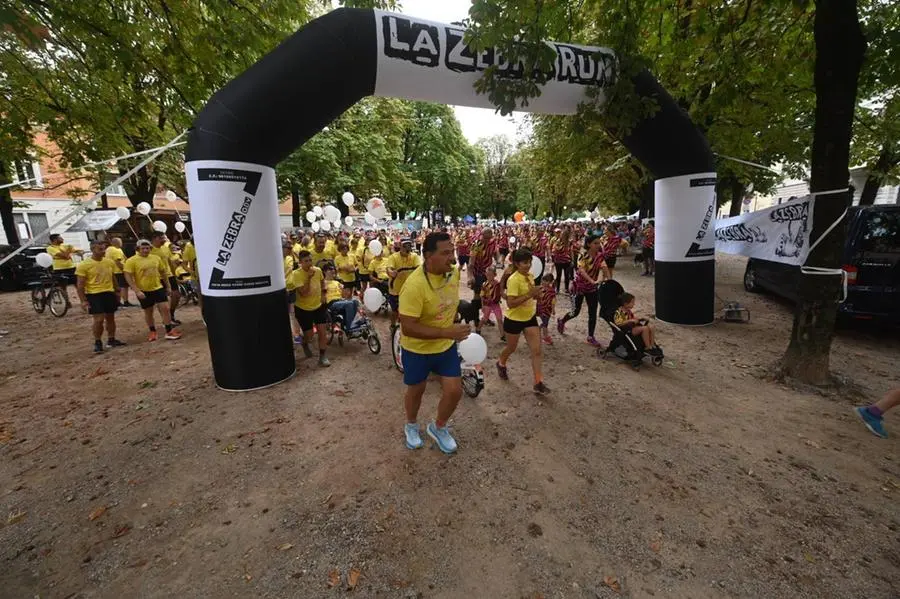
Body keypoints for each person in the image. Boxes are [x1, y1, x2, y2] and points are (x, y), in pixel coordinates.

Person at [398, 231, 471, 454]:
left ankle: (438, 427)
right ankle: (411, 425)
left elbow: (447, 303)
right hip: (416, 349)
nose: (453, 258)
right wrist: (447, 332)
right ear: (428, 256)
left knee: (454, 391)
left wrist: (455, 324)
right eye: (446, 253)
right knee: (417, 389)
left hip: (444, 347)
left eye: (453, 252)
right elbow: (408, 327)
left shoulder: (454, 274)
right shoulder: (414, 286)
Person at [497, 248, 549, 395]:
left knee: (537, 351)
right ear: (517, 264)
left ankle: (538, 382)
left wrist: (538, 295)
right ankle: (501, 362)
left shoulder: (531, 276)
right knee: (511, 348)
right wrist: (529, 294)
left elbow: (531, 296)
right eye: (524, 263)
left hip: (529, 318)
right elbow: (511, 304)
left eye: (529, 262)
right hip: (513, 319)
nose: (528, 265)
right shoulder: (513, 279)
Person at [124, 239, 181, 341]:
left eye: (147, 248)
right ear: (138, 249)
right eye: (143, 248)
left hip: (158, 287)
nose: (145, 250)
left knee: (165, 309)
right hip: (143, 290)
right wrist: (136, 290)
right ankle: (152, 331)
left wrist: (168, 286)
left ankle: (169, 331)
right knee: (149, 312)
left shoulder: (156, 258)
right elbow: (128, 276)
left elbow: (163, 273)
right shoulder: (131, 261)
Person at [558, 233, 610, 346]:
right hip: (580, 287)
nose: (598, 245)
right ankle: (562, 321)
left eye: (599, 243)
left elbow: (603, 268)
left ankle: (590, 336)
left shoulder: (600, 256)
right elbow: (581, 270)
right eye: (595, 243)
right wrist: (592, 280)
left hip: (592, 289)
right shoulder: (583, 255)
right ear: (588, 244)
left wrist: (607, 280)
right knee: (575, 312)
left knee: (592, 312)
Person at [75, 240, 126, 353]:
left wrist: (117, 291)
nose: (103, 252)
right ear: (93, 249)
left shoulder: (109, 262)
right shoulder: (84, 265)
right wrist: (83, 300)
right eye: (100, 249)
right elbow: (80, 285)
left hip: (109, 292)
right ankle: (97, 341)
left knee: (110, 317)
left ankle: (111, 339)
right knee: (98, 319)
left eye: (104, 249)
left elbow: (113, 277)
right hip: (94, 294)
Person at [286, 250, 330, 367]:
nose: (309, 263)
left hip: (318, 306)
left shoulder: (318, 270)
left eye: (310, 260)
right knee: (309, 335)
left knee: (322, 332)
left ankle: (322, 356)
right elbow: (304, 293)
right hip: (303, 309)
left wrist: (323, 294)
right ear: (300, 262)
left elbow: (322, 281)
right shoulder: (296, 274)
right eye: (306, 261)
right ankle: (305, 343)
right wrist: (309, 277)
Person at [467, 227, 499, 335]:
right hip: (478, 273)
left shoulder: (492, 244)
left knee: (488, 296)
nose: (486, 240)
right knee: (477, 296)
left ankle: (485, 318)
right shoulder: (476, 244)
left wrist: (497, 260)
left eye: (489, 238)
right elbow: (471, 262)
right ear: (482, 235)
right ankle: (476, 319)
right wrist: (471, 276)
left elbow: (495, 253)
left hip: (487, 273)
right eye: (485, 237)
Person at [386, 238, 421, 331]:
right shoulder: (393, 257)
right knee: (394, 311)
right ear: (401, 247)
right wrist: (391, 272)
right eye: (405, 247)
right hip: (395, 289)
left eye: (409, 248)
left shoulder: (414, 256)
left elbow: (419, 267)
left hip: (409, 290)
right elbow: (389, 268)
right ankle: (393, 325)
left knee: (408, 311)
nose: (407, 250)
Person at [150, 232, 181, 325]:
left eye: (164, 238)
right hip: (157, 278)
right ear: (155, 238)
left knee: (176, 295)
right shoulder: (149, 250)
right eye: (162, 238)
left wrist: (175, 274)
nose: (164, 240)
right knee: (162, 301)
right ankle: (166, 320)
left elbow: (170, 262)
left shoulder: (165, 248)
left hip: (169, 275)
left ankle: (171, 314)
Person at [46, 233, 83, 305]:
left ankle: (82, 300)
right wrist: (69, 251)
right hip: (59, 269)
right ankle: (67, 302)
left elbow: (76, 251)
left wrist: (79, 252)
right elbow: (65, 256)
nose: (62, 239)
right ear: (55, 240)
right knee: (63, 287)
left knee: (78, 284)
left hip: (71, 267)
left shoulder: (64, 246)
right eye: (60, 238)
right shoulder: (50, 248)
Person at [283, 241, 303, 343]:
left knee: (294, 313)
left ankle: (296, 334)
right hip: (282, 290)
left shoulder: (290, 258)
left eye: (291, 248)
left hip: (292, 288)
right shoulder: (276, 260)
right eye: (289, 248)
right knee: (285, 314)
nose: (291, 250)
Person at [105, 237, 132, 307]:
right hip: (118, 271)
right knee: (123, 286)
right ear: (117, 243)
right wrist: (126, 270)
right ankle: (125, 301)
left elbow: (125, 257)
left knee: (116, 286)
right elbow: (118, 263)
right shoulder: (116, 250)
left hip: (111, 270)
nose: (122, 243)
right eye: (120, 242)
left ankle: (117, 302)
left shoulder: (109, 249)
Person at [479, 265, 504, 333]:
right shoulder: (484, 284)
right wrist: (482, 306)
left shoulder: (497, 284)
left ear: (495, 275)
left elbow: (500, 293)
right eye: (487, 275)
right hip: (487, 304)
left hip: (495, 304)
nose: (489, 277)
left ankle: (502, 335)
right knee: (484, 318)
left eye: (490, 275)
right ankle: (478, 329)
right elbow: (481, 295)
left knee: (499, 319)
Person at [550, 228, 573, 294]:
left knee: (567, 275)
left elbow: (571, 251)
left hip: (567, 261)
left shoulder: (569, 242)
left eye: (565, 235)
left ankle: (566, 288)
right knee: (558, 275)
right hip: (558, 261)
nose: (563, 236)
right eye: (563, 235)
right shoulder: (557, 241)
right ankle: (557, 289)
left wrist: (572, 260)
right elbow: (554, 250)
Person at [537, 273, 557, 345]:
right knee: (544, 323)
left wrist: (553, 309)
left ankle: (540, 333)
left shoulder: (551, 291)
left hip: (547, 310)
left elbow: (553, 301)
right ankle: (545, 337)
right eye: (543, 280)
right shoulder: (540, 288)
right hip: (540, 308)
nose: (544, 282)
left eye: (546, 281)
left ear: (550, 282)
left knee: (544, 323)